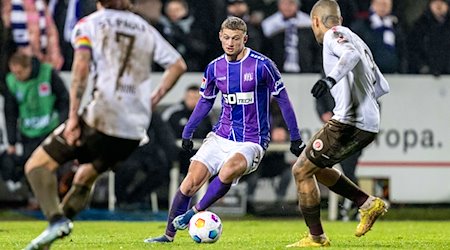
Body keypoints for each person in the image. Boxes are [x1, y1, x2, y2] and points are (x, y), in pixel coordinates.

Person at [22, 0, 187, 249]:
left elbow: (80, 69)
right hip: (134, 128)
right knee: (85, 175)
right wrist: (154, 98)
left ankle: (56, 221)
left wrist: (74, 117)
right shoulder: (144, 28)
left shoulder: (88, 24)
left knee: (36, 166)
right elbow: (178, 65)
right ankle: (48, 240)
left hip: (103, 115)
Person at [145, 16, 305, 243]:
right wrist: (188, 132)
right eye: (227, 38)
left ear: (245, 39)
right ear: (220, 37)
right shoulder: (214, 68)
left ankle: (193, 212)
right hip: (221, 136)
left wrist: (295, 137)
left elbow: (284, 101)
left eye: (236, 39)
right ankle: (167, 235)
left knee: (228, 170)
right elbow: (205, 102)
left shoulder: (263, 65)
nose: (230, 43)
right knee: (190, 183)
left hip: (253, 140)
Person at [287, 0, 389, 247]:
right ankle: (366, 202)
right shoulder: (357, 38)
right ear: (340, 18)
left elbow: (349, 56)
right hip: (367, 122)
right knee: (312, 166)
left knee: (300, 171)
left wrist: (330, 80)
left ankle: (317, 238)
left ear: (314, 22)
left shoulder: (334, 35)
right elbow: (382, 85)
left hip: (348, 121)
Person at [4, 52, 69, 190]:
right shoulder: (11, 82)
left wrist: (64, 125)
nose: (17, 76)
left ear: (28, 68)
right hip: (28, 133)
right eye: (14, 72)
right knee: (31, 168)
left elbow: (64, 99)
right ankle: (37, 200)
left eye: (20, 72)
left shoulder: (47, 73)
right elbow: (10, 112)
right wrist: (11, 141)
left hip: (50, 130)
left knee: (52, 166)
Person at [162, 84, 212, 176]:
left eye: (195, 98)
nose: (192, 101)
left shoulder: (207, 115)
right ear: (185, 97)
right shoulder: (174, 113)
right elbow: (164, 134)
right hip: (177, 153)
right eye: (190, 97)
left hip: (199, 153)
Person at [261, 0, 322, 73]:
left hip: (306, 71)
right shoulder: (269, 24)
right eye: (284, 3)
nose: (287, 7)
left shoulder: (308, 23)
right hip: (279, 72)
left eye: (291, 3)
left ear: (297, 5)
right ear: (278, 5)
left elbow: (316, 49)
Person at [351, 0, 408, 73]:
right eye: (380, 4)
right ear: (373, 4)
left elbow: (402, 51)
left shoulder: (396, 26)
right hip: (369, 74)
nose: (383, 8)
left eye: (386, 5)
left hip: (394, 73)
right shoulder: (361, 25)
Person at [408, 0, 450, 75]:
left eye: (442, 3)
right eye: (436, 3)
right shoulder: (419, 26)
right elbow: (413, 50)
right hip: (425, 76)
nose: (439, 6)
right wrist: (422, 67)